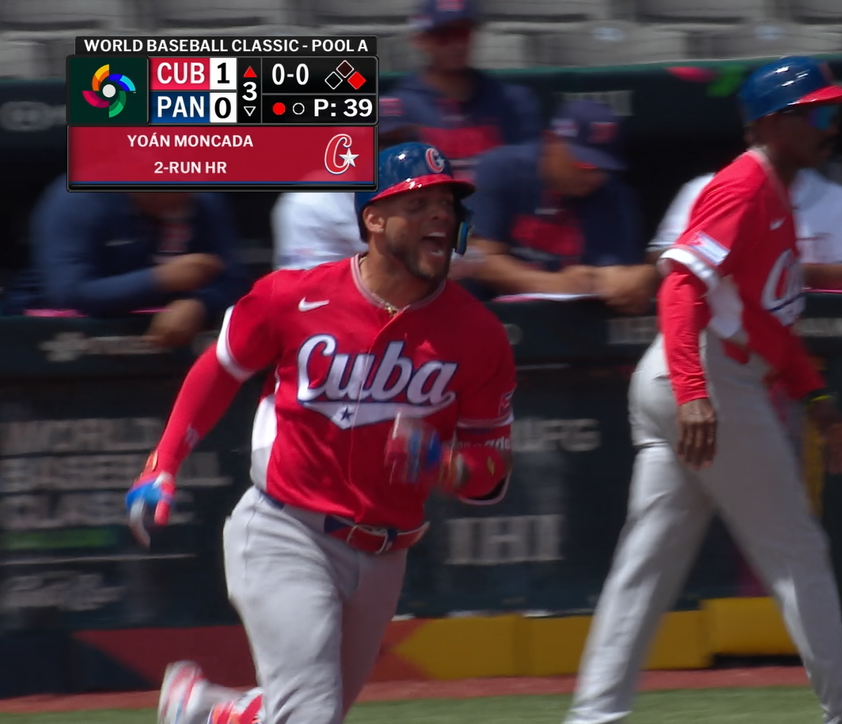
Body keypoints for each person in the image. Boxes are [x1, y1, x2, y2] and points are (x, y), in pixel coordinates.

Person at [133, 143, 518, 724]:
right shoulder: (293, 295)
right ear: (374, 219)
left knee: (311, 713)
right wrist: (161, 464)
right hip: (285, 529)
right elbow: (221, 367)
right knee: (309, 714)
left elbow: (490, 469)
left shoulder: (479, 334)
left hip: (386, 553)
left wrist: (447, 465)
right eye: (418, 204)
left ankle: (206, 712)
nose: (439, 214)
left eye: (447, 204)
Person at [565, 57, 842, 724]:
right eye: (816, 114)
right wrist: (695, 393)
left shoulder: (775, 194)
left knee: (648, 560)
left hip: (692, 374)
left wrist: (816, 399)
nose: (831, 126)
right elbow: (679, 287)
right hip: (705, 376)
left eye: (832, 111)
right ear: (773, 123)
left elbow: (769, 327)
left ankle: (593, 716)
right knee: (797, 547)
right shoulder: (742, 186)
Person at [3, 179, 246, 349]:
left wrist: (199, 304)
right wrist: (159, 279)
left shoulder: (202, 200)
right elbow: (67, 292)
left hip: (159, 328)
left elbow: (234, 279)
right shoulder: (79, 198)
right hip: (50, 330)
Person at [466, 99, 655, 312]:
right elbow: (478, 260)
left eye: (602, 167)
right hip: (493, 315)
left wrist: (638, 279)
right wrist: (556, 284)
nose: (593, 177)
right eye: (583, 164)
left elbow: (617, 274)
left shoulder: (614, 195)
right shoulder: (501, 169)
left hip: (575, 321)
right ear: (551, 141)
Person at [648, 141, 842, 290]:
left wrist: (783, 272)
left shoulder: (840, 198)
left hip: (810, 324)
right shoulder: (701, 190)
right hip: (720, 326)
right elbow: (661, 257)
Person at [378, 0, 542, 183]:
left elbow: (531, 171)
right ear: (421, 40)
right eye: (444, 35)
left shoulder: (513, 101)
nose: (456, 45)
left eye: (462, 33)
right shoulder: (396, 110)